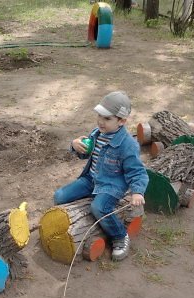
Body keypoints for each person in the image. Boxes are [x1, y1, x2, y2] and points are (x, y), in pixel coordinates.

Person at [54, 91, 148, 261]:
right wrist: (75, 146)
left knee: (99, 207)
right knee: (60, 196)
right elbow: (86, 154)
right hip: (91, 179)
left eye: (107, 118)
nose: (100, 121)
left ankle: (120, 236)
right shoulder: (97, 133)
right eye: (99, 115)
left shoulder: (128, 145)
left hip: (111, 186)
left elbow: (137, 171)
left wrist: (137, 192)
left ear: (122, 121)